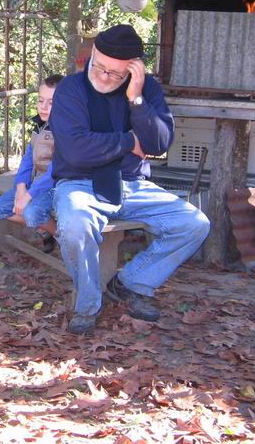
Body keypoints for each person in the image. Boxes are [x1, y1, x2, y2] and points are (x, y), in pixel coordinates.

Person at [49, 24, 210, 334]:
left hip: (133, 185)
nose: (105, 77)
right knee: (74, 223)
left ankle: (130, 281)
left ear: (134, 71)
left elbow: (159, 143)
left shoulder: (146, 88)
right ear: (92, 54)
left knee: (195, 224)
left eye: (116, 74)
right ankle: (88, 303)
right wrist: (128, 142)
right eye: (100, 67)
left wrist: (136, 100)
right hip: (81, 184)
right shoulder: (71, 88)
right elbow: (76, 151)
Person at [0, 74, 64, 252]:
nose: (44, 107)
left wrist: (28, 196)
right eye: (40, 101)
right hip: (35, 184)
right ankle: (53, 232)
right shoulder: (39, 126)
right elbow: (27, 160)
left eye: (51, 102)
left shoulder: (66, 130)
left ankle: (65, 238)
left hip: (55, 186)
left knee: (32, 213)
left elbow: (55, 172)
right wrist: (21, 187)